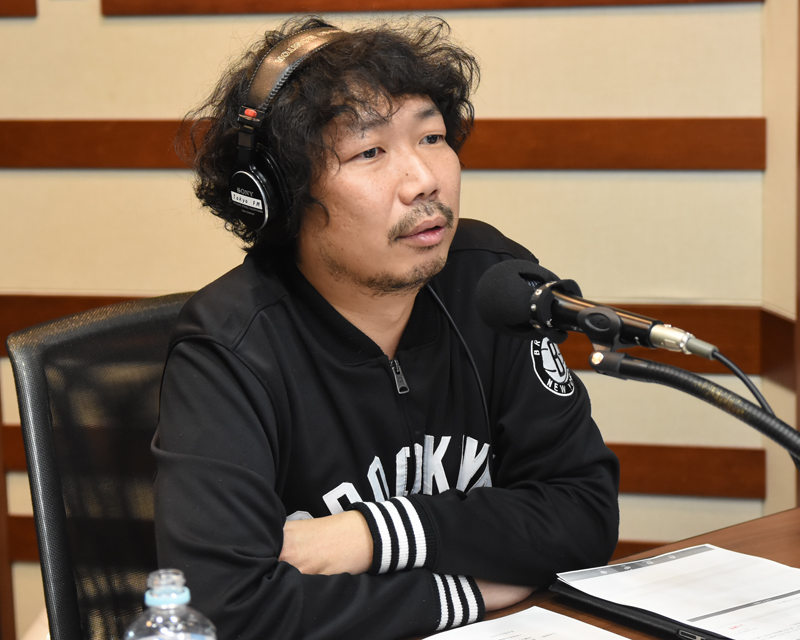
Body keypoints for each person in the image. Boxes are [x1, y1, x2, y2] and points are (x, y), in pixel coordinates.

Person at [153, 15, 620, 640]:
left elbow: (584, 513)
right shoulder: (230, 347)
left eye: (432, 137)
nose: (424, 180)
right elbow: (226, 608)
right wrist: (467, 593)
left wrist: (374, 534)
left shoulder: (494, 285)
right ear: (281, 197)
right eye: (369, 152)